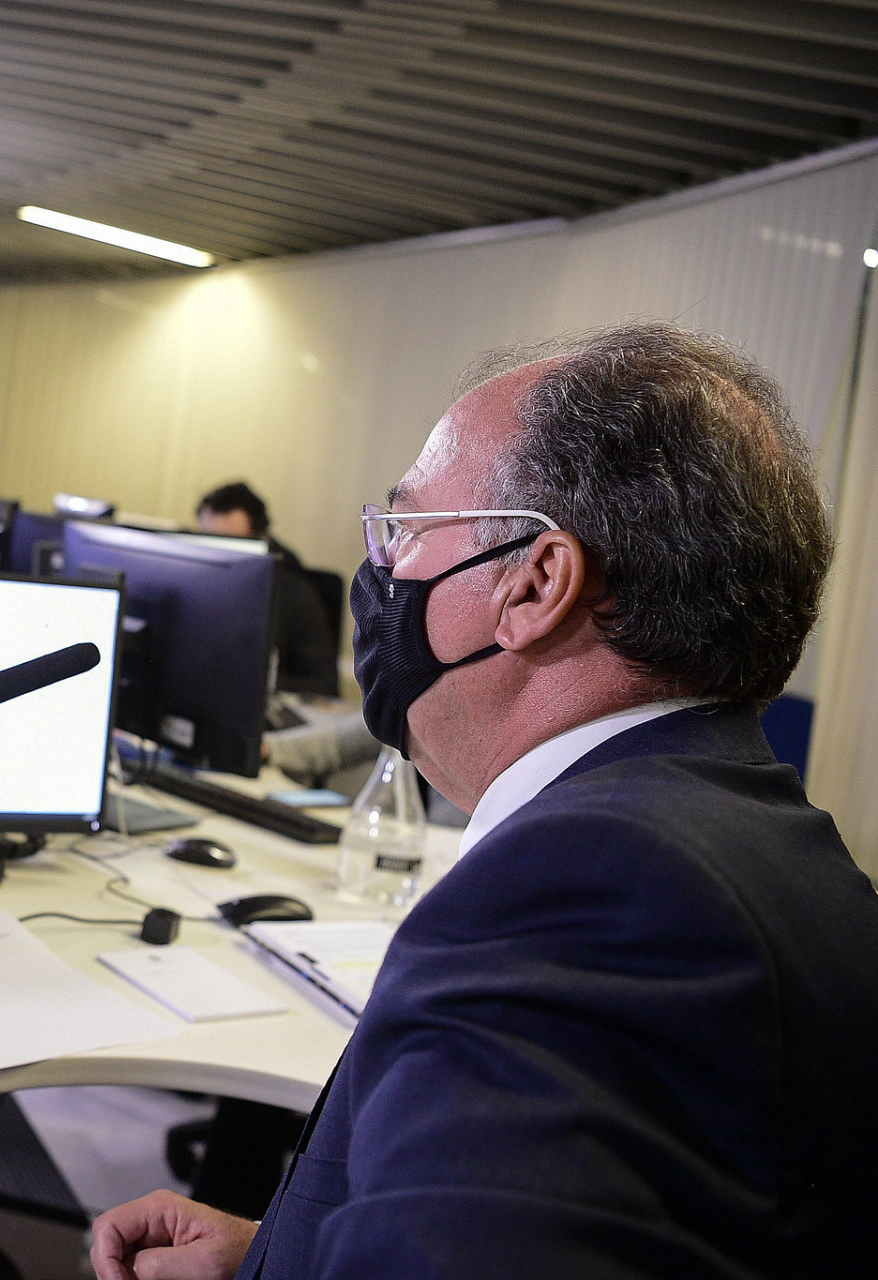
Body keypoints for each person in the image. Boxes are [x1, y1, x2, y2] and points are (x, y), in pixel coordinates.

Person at [93, 323, 878, 1279]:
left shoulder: (590, 891)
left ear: (538, 582)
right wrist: (281, 1260)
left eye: (406, 532)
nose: (380, 573)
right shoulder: (769, 845)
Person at [197, 481, 339, 698]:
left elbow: (324, 684)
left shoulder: (296, 596)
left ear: (262, 538)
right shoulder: (195, 590)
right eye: (208, 543)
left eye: (232, 546)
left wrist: (259, 681)